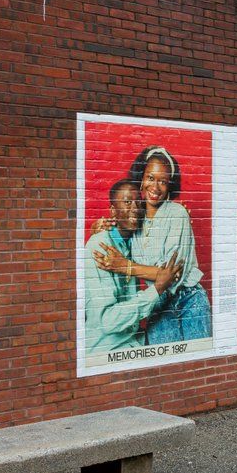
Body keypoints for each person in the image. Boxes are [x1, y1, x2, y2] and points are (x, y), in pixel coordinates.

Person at [93, 146, 212, 343]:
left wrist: (124, 266)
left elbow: (172, 274)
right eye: (150, 178)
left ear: (169, 186)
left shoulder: (177, 213)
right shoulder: (133, 219)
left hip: (189, 300)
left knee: (198, 361)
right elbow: (117, 245)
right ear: (141, 178)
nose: (155, 187)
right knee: (164, 367)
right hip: (156, 302)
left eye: (163, 181)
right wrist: (98, 229)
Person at [84, 180, 182, 355]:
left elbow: (172, 271)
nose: (136, 208)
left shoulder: (134, 244)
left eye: (139, 202)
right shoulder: (101, 247)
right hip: (108, 350)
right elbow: (108, 321)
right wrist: (157, 289)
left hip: (136, 343)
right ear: (113, 210)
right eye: (127, 202)